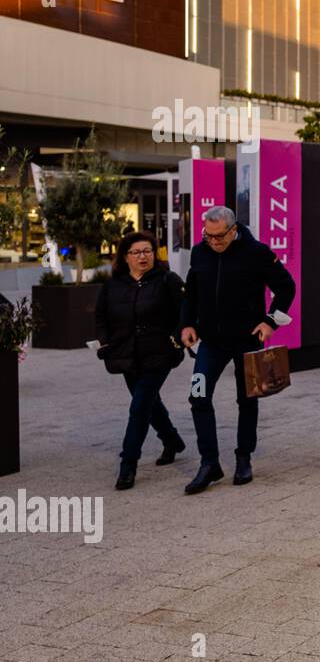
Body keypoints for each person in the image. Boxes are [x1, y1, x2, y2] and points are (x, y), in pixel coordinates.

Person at [180, 206, 295, 494]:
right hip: (211, 342)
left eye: (219, 237)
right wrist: (186, 324)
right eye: (209, 236)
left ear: (233, 230)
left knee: (247, 400)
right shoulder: (199, 252)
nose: (214, 242)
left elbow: (286, 287)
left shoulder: (256, 252)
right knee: (198, 396)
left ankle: (244, 457)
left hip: (246, 340)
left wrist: (270, 322)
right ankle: (209, 463)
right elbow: (191, 293)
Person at [94, 232, 187, 491]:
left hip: (159, 353)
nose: (143, 256)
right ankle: (171, 439)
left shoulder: (167, 279)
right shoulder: (113, 285)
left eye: (147, 251)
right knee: (149, 403)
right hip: (126, 354)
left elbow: (185, 311)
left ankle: (128, 465)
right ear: (125, 257)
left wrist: (176, 339)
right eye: (136, 252)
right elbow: (101, 317)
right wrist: (104, 341)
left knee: (139, 407)